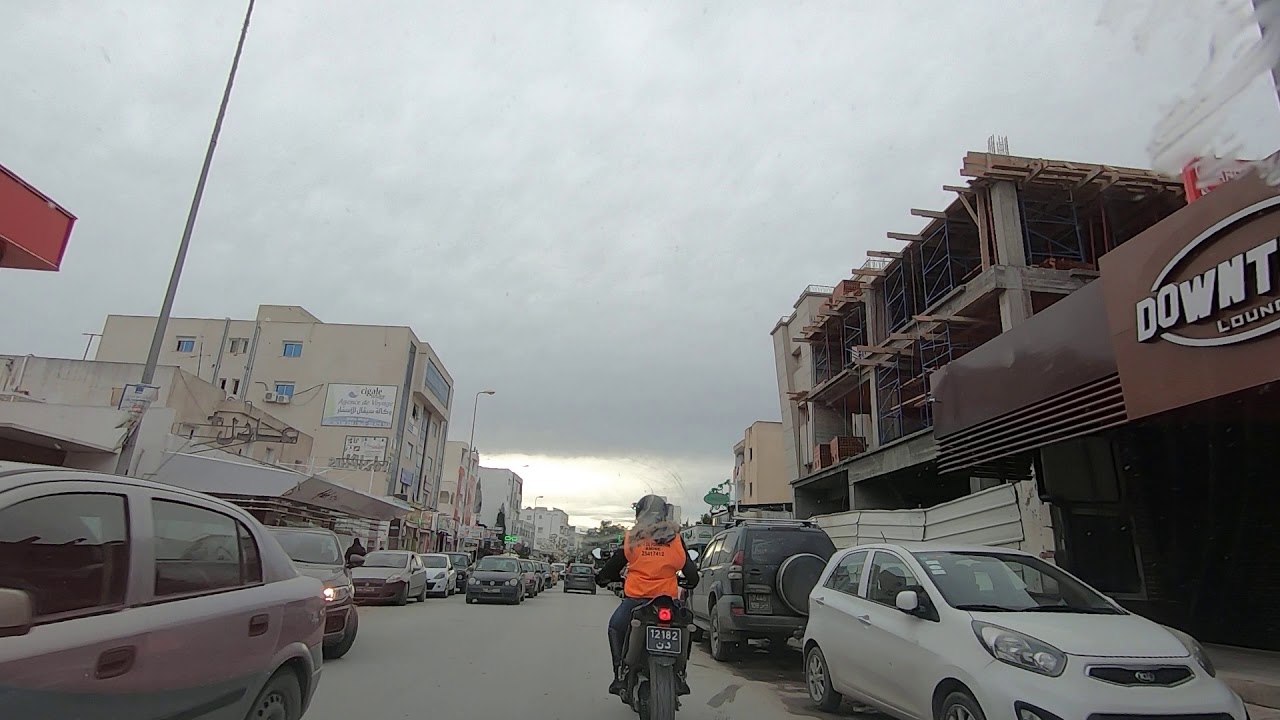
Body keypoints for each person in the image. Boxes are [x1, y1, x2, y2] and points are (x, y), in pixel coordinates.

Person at [595, 495, 700, 696]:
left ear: (639, 514)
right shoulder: (675, 538)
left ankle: (620, 675)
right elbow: (690, 571)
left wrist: (602, 578)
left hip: (637, 601)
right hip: (668, 601)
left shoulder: (633, 538)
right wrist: (691, 582)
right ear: (664, 514)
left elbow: (613, 566)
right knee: (686, 626)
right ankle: (680, 674)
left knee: (616, 627)